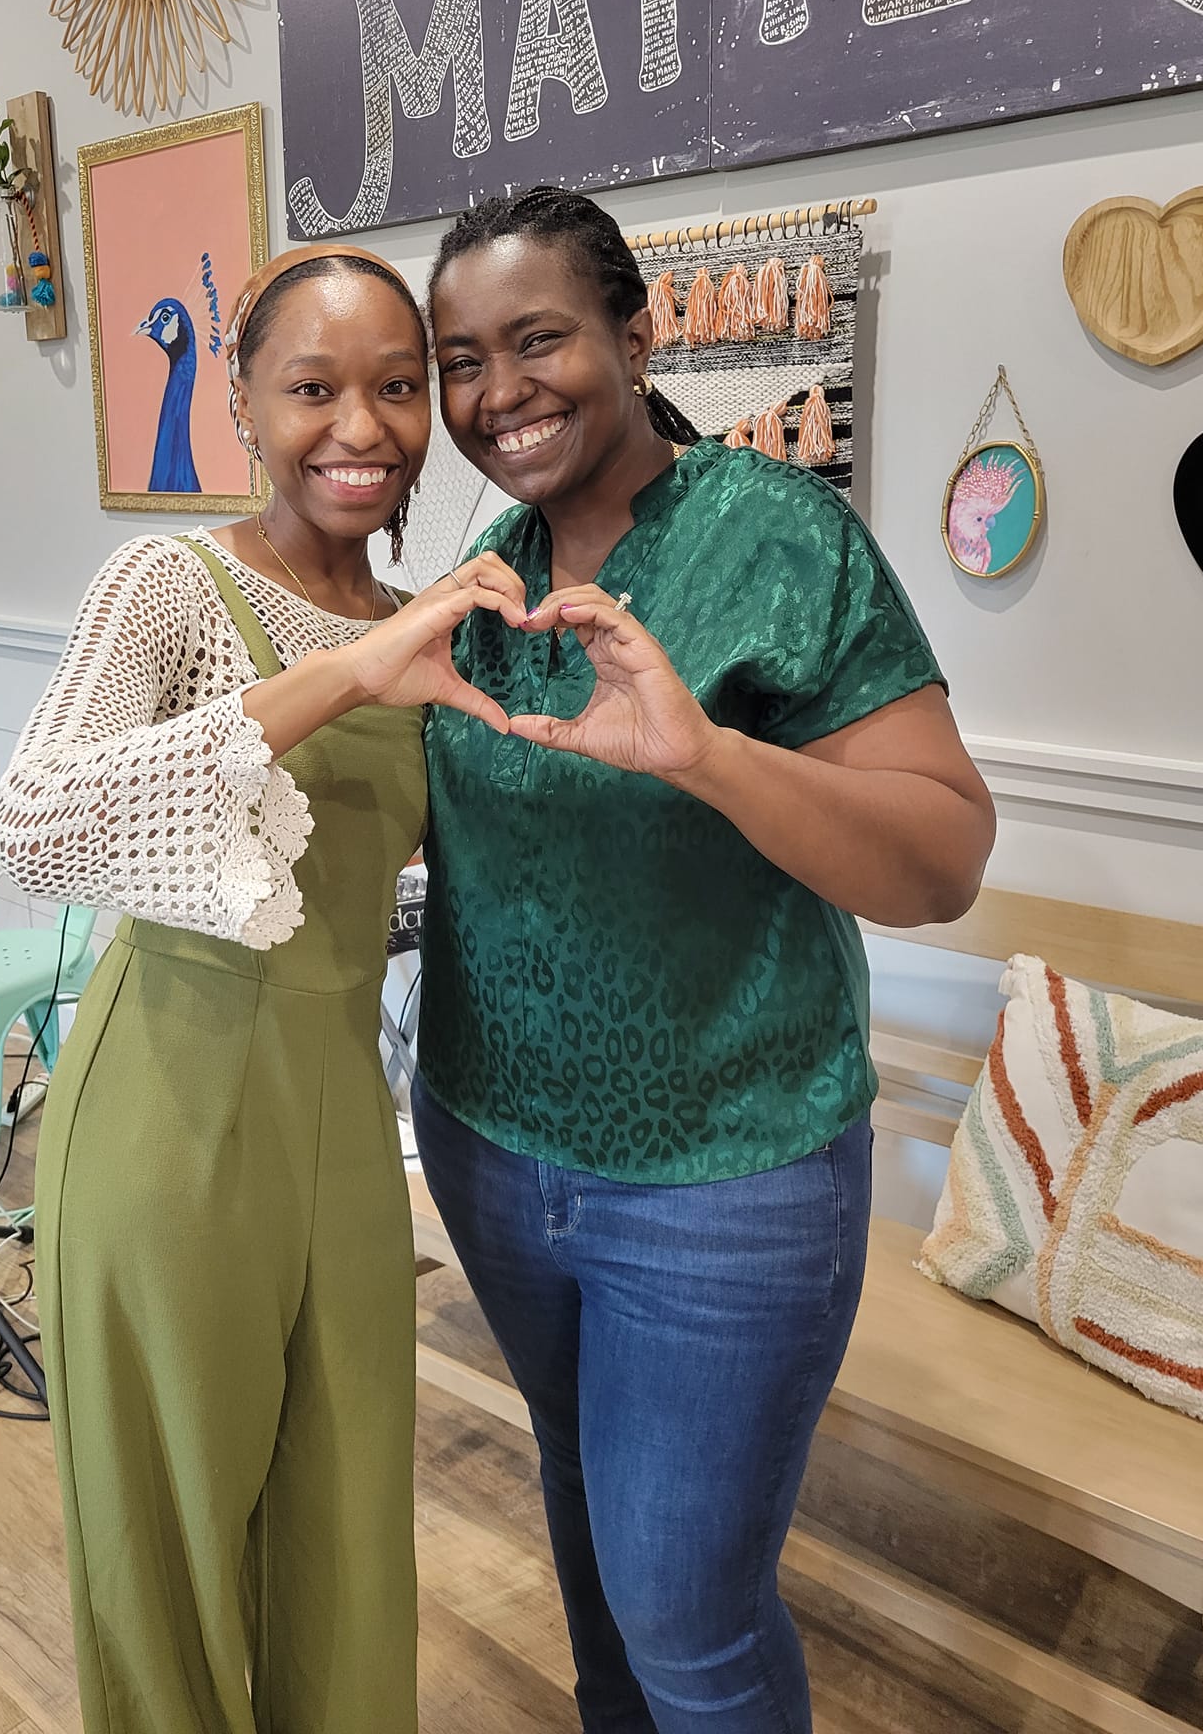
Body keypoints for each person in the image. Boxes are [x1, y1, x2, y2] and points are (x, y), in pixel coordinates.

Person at [414, 187, 996, 1734]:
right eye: (462, 361)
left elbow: (943, 858)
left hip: (723, 1180)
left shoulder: (782, 539)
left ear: (638, 336)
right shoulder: (488, 577)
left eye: (539, 340)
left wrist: (710, 757)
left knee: (687, 1614)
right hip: (490, 1146)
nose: (499, 392)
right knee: (588, 1532)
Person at [0, 245, 525, 1734]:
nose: (361, 429)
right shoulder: (171, 586)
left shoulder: (425, 617)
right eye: (312, 389)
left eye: (398, 388)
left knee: (348, 1540)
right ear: (241, 404)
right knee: (166, 1543)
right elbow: (37, 822)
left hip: (344, 1117)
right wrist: (350, 675)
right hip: (167, 1108)